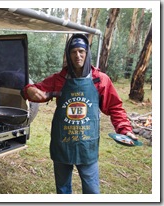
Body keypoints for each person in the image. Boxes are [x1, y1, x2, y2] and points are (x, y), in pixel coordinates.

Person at [21, 33, 137, 194]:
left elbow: (115, 107)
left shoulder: (100, 80)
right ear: (68, 55)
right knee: (62, 189)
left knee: (92, 191)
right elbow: (32, 90)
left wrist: (125, 129)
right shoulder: (58, 79)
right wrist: (29, 90)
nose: (78, 55)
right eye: (73, 51)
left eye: (81, 51)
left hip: (87, 145)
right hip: (62, 143)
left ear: (87, 53)